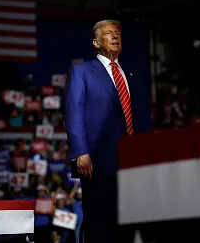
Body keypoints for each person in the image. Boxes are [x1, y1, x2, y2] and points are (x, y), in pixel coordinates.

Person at [64, 20, 152, 243]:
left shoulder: (132, 77)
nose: (115, 36)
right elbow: (74, 113)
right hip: (98, 162)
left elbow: (142, 120)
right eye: (109, 34)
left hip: (131, 163)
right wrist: (80, 152)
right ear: (96, 42)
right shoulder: (81, 71)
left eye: (118, 33)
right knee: (98, 225)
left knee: (128, 224)